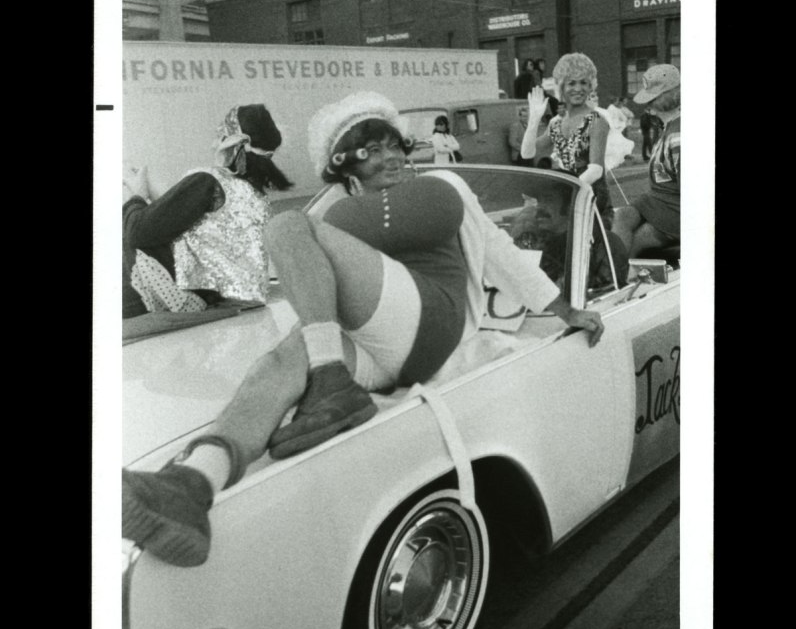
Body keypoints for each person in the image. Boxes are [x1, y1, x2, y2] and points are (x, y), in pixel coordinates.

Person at [122, 91, 605, 567]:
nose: (389, 157)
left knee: (287, 227)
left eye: (393, 144)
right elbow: (319, 293)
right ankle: (193, 484)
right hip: (377, 344)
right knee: (277, 364)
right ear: (343, 164)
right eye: (370, 151)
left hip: (437, 319)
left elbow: (499, 251)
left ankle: (329, 379)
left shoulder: (444, 186)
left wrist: (564, 309)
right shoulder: (336, 212)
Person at [122, 104, 293, 319]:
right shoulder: (256, 196)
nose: (213, 144)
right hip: (237, 303)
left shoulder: (207, 181)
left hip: (190, 302)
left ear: (233, 144)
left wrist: (135, 196)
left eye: (220, 136)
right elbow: (199, 229)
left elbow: (137, 232)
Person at [520, 53, 612, 220]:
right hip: (565, 198)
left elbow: (596, 171)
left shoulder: (597, 121)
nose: (578, 89)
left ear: (591, 86)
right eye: (571, 83)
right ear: (561, 87)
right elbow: (528, 153)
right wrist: (533, 119)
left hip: (592, 200)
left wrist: (563, 191)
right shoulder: (556, 123)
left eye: (584, 82)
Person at [612, 65, 681, 257]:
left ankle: (619, 278)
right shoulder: (668, 127)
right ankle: (614, 272)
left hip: (674, 209)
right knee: (622, 216)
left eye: (652, 99)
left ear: (669, 97)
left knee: (639, 240)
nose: (647, 105)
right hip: (658, 202)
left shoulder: (679, 133)